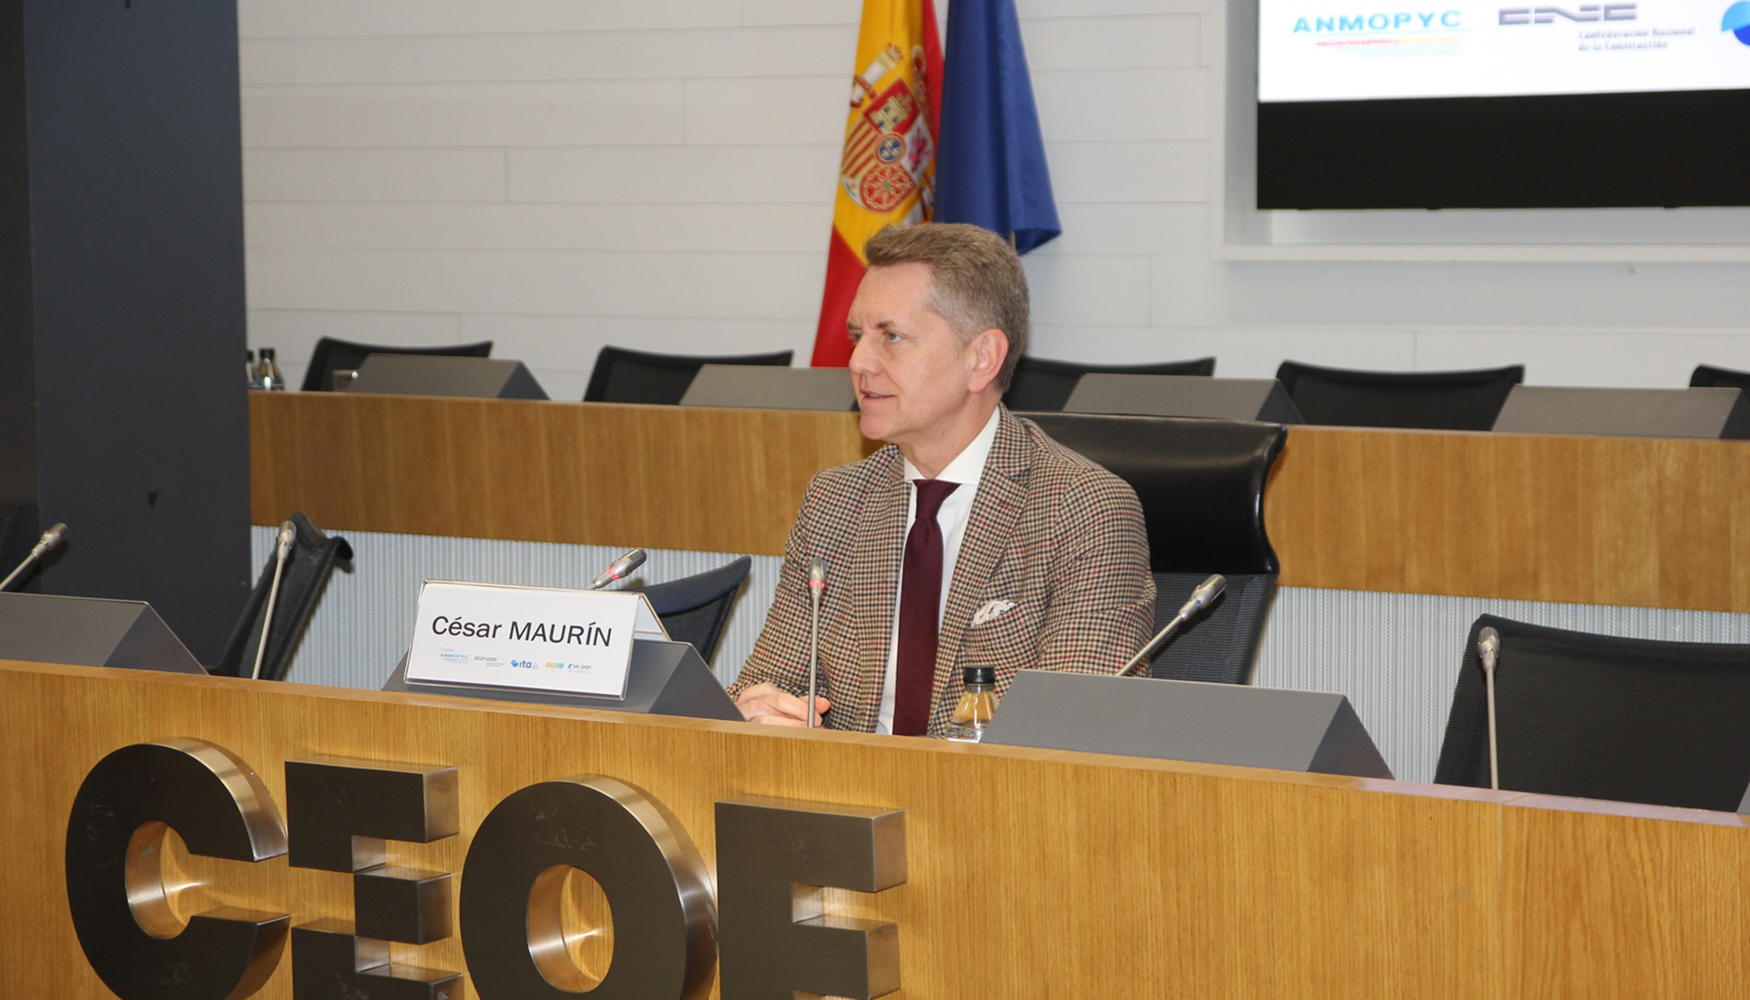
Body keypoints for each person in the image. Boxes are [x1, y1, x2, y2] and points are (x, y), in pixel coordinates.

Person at [729, 223, 1155, 735]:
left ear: (982, 359)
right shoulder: (836, 501)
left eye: (891, 337)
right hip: (845, 797)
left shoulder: (1083, 509)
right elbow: (766, 681)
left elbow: (1071, 734)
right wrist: (754, 712)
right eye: (857, 337)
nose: (859, 362)